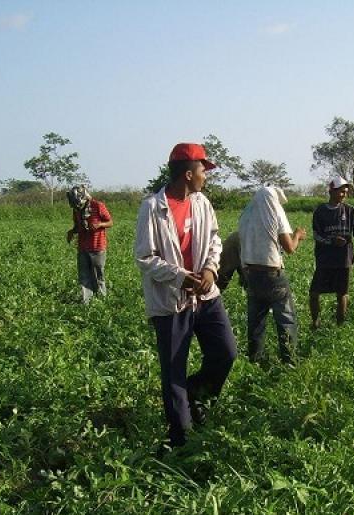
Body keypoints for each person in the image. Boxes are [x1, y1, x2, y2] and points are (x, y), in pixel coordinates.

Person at [134, 143, 237, 449]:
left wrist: (208, 270)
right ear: (189, 173)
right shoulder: (153, 207)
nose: (206, 175)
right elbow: (145, 257)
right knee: (174, 372)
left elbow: (215, 239)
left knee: (226, 353)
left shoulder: (201, 202)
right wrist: (180, 277)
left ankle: (195, 397)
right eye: (203, 170)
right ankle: (183, 441)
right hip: (171, 302)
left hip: (206, 296)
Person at [238, 186, 307, 363]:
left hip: (251, 274)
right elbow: (290, 248)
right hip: (272, 275)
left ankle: (255, 360)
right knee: (286, 320)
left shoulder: (246, 215)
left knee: (256, 322)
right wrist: (298, 235)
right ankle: (289, 361)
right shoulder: (275, 210)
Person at [309, 176, 354, 328]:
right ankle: (315, 322)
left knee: (342, 294)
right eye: (341, 191)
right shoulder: (320, 211)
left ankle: (339, 326)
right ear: (331, 191)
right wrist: (331, 241)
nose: (344, 195)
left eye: (345, 192)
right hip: (325, 259)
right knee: (314, 293)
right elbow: (316, 235)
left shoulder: (349, 210)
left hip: (344, 259)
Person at [66, 185, 113, 304]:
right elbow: (78, 226)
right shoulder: (76, 210)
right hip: (82, 246)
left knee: (98, 275)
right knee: (84, 276)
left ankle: (102, 300)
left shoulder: (98, 206)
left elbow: (110, 222)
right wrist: (72, 231)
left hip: (97, 246)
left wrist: (100, 225)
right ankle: (86, 301)